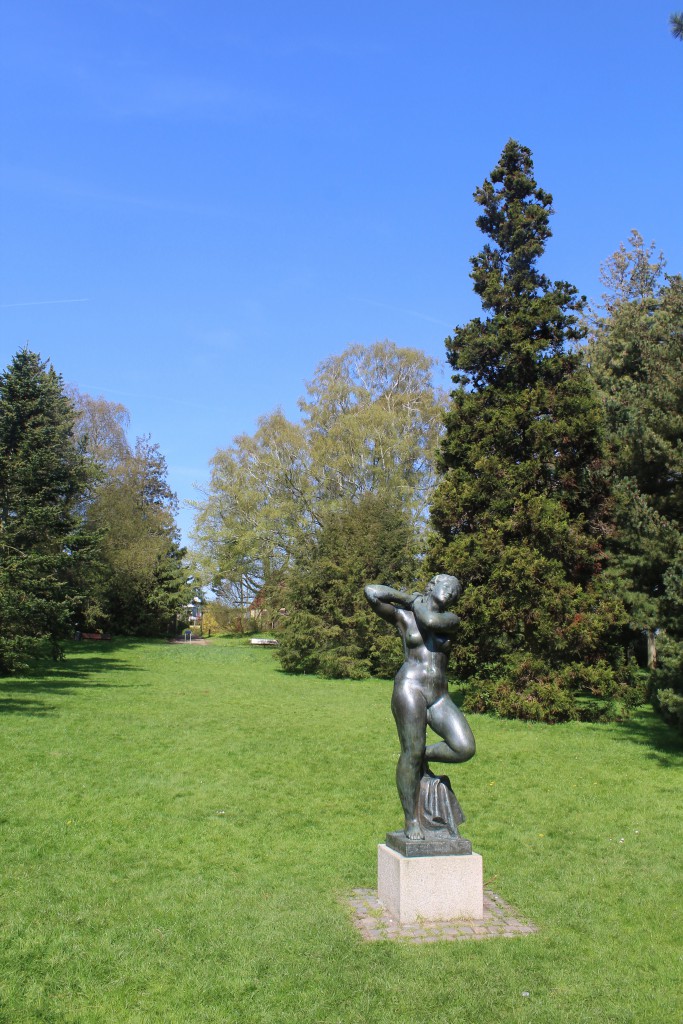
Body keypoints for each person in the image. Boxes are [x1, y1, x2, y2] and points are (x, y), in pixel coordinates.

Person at [364, 575, 475, 840]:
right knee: (409, 753)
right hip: (410, 687)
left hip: (439, 695)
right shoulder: (405, 617)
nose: (449, 593)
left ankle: (419, 755)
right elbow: (372, 592)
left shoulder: (450, 620)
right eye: (445, 586)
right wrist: (408, 598)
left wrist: (415, 603)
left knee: (464, 747)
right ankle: (411, 819)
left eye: (454, 591)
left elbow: (431, 621)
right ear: (433, 587)